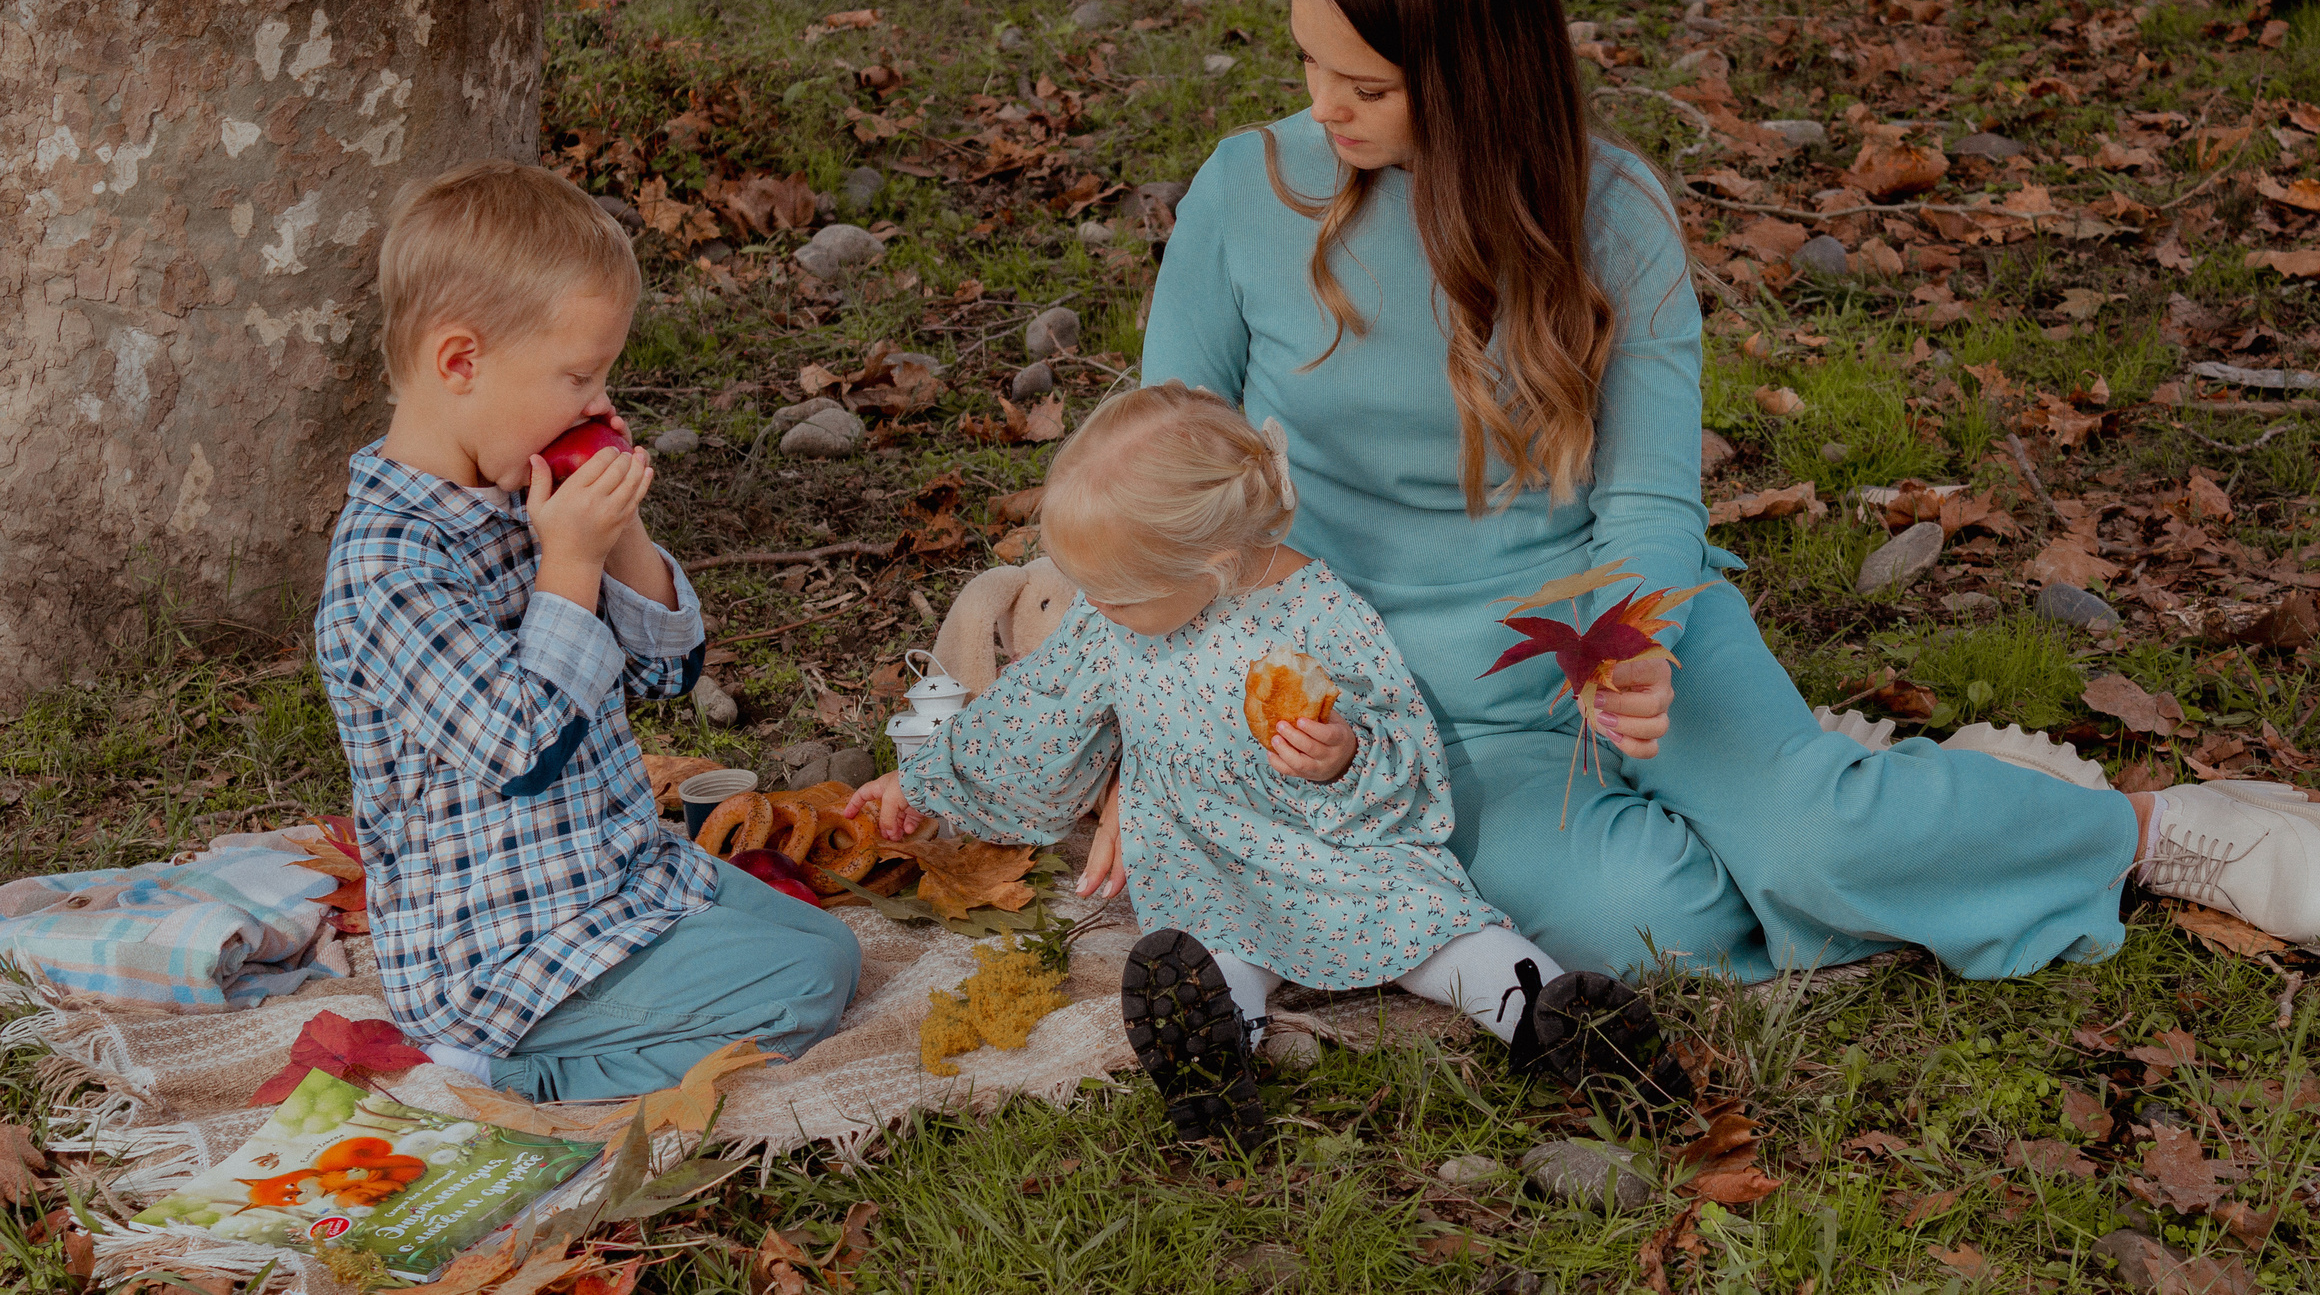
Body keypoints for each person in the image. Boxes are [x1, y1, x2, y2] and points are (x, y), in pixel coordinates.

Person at [1119, 0, 2320, 987]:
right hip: (1400, 694)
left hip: (1616, 622)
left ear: (1472, 76)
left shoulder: (1608, 212)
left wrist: (1638, 643)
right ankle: (1896, 820)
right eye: (1308, 64)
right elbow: (1158, 485)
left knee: (1810, 837)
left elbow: (1653, 500)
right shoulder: (1246, 191)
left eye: (1366, 85)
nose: (1321, 108)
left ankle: (2138, 829)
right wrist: (1155, 736)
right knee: (1630, 927)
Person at [849, 383, 1670, 1143]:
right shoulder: (1114, 624)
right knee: (1211, 957)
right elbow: (1033, 715)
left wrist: (1344, 754)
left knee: (1442, 927)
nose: (1094, 607)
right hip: (1207, 852)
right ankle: (1210, 1063)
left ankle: (1560, 1020)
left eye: (1116, 593)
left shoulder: (1320, 613)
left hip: (1341, 848)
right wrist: (923, 783)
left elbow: (1403, 739)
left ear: (1211, 567)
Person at [314, 160, 860, 1103]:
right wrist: (566, 563)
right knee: (807, 982)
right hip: (504, 961)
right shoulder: (387, 572)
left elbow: (666, 671)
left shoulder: (519, 487)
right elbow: (523, 744)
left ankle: (637, 1002)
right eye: (578, 375)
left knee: (823, 942)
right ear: (460, 363)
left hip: (614, 880)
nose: (598, 401)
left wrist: (618, 526)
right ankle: (512, 1070)